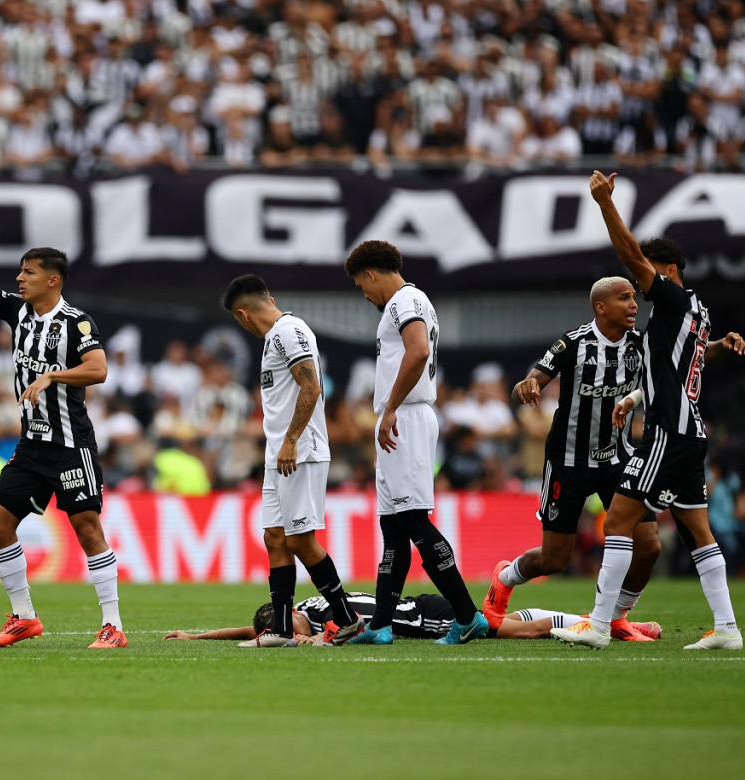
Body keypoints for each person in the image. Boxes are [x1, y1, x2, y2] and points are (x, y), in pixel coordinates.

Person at [553, 171, 745, 651]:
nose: (640, 288)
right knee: (698, 530)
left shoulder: (673, 299)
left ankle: (599, 625)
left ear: (670, 271)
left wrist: (604, 203)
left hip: (668, 434)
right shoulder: (696, 312)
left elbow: (630, 255)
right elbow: (685, 365)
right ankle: (726, 628)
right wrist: (638, 396)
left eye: (650, 274)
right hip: (691, 432)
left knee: (618, 521)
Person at [0, 209, 126, 649]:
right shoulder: (19, 313)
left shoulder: (75, 323)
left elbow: (98, 369)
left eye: (28, 272)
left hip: (69, 445)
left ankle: (113, 626)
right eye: (20, 272)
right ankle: (24, 617)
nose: (19, 279)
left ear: (53, 280)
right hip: (32, 447)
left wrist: (53, 375)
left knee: (86, 527)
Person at [485, 277, 663, 642]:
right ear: (601, 307)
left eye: (634, 298)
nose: (634, 304)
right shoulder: (573, 342)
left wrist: (718, 345)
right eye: (624, 298)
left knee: (649, 545)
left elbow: (679, 362)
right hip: (568, 462)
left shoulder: (639, 344)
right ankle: (504, 578)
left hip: (617, 460)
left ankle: (615, 619)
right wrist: (528, 386)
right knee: (555, 560)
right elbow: (527, 383)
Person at [344, 240, 488, 646]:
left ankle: (466, 615)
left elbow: (418, 350)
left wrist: (390, 407)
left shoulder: (406, 300)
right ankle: (381, 625)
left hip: (405, 416)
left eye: (361, 285)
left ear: (371, 274)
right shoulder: (406, 302)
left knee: (412, 520)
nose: (364, 294)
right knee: (393, 526)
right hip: (398, 418)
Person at [221, 275, 362, 648]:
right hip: (278, 452)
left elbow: (311, 385)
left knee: (300, 539)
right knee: (275, 538)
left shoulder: (288, 330)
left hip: (299, 450)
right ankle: (282, 629)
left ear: (242, 315)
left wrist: (291, 440)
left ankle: (347, 619)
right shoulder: (274, 338)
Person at [162, 591, 652, 643]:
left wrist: (313, 644)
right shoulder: (307, 607)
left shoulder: (328, 621)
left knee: (515, 631)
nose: (280, 637)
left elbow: (330, 639)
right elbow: (251, 630)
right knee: (501, 623)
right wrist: (197, 635)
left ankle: (602, 627)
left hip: (428, 620)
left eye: (280, 633)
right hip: (424, 605)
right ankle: (605, 619)